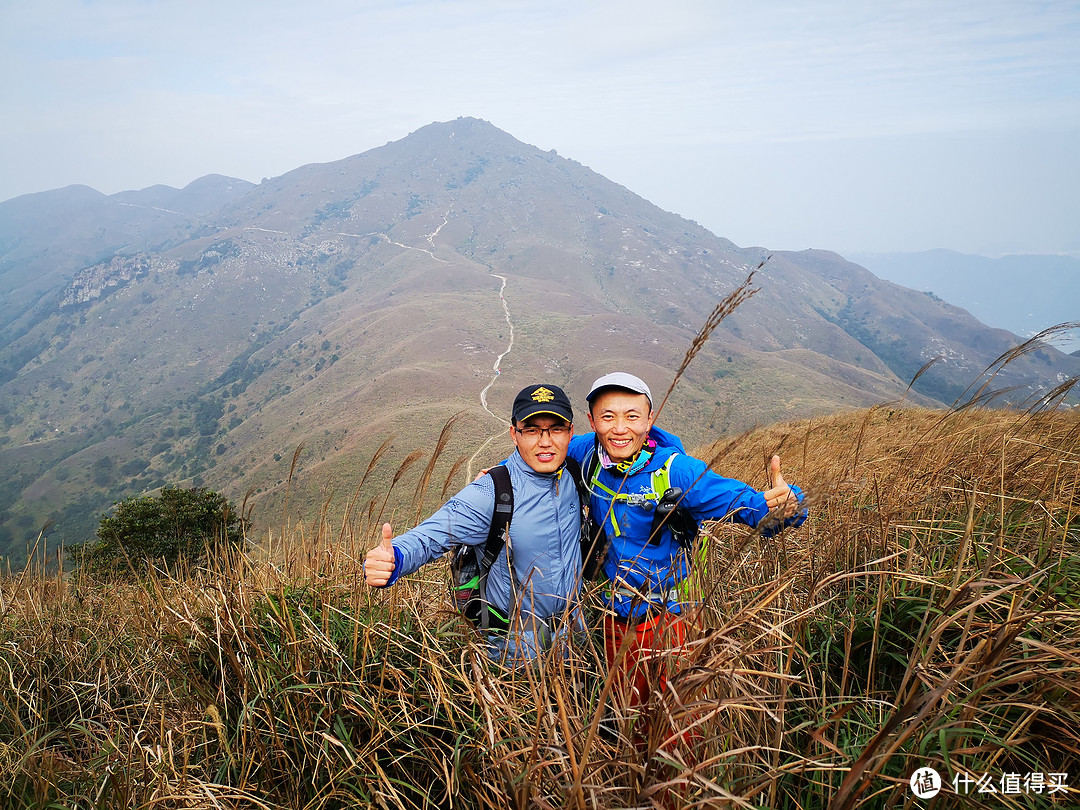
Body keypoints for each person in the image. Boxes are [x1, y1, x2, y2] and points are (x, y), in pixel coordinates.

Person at [566, 372, 807, 729]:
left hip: (669, 621)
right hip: (615, 618)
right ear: (592, 422)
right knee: (628, 718)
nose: (619, 428)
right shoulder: (587, 454)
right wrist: (498, 478)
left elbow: (746, 506)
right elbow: (544, 450)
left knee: (673, 727)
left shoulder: (675, 470)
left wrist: (787, 507)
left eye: (632, 416)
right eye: (608, 416)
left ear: (650, 419)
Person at [364, 384, 586, 664]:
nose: (545, 441)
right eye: (531, 430)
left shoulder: (574, 475)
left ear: (570, 433)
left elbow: (621, 437)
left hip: (574, 642)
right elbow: (429, 537)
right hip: (516, 656)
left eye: (556, 429)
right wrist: (395, 557)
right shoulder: (493, 493)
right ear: (513, 434)